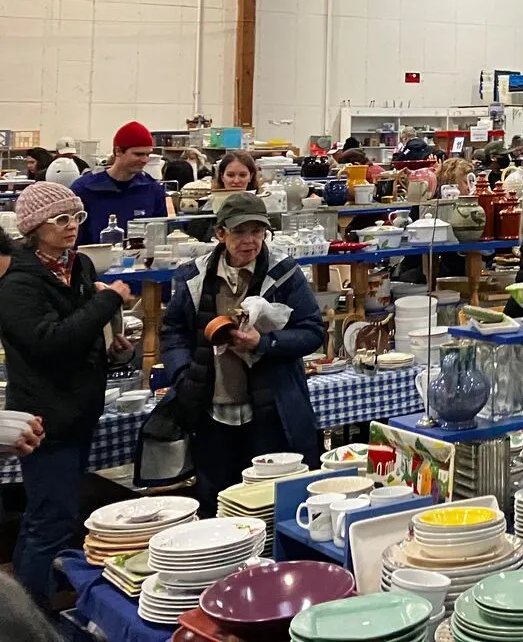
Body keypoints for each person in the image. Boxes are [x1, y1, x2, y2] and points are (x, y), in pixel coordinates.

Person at [0, 182, 135, 604]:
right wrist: (108, 302)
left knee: (56, 518)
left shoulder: (78, 267)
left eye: (75, 217)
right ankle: (31, 619)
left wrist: (113, 351)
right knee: (49, 522)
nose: (71, 227)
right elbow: (51, 342)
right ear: (34, 228)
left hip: (80, 410)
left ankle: (30, 606)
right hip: (44, 420)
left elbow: (81, 336)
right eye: (60, 220)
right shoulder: (18, 284)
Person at [160, 193, 325, 516]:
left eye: (257, 232)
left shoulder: (284, 274)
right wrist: (183, 374)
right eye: (240, 232)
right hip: (212, 413)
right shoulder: (193, 277)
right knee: (217, 504)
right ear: (220, 234)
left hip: (270, 412)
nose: (250, 241)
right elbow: (174, 332)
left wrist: (264, 344)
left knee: (273, 504)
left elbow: (312, 331)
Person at [71, 121, 166, 246]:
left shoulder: (153, 190)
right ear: (118, 151)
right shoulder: (84, 189)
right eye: (138, 154)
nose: (145, 160)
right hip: (93, 262)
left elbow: (160, 236)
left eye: (148, 154)